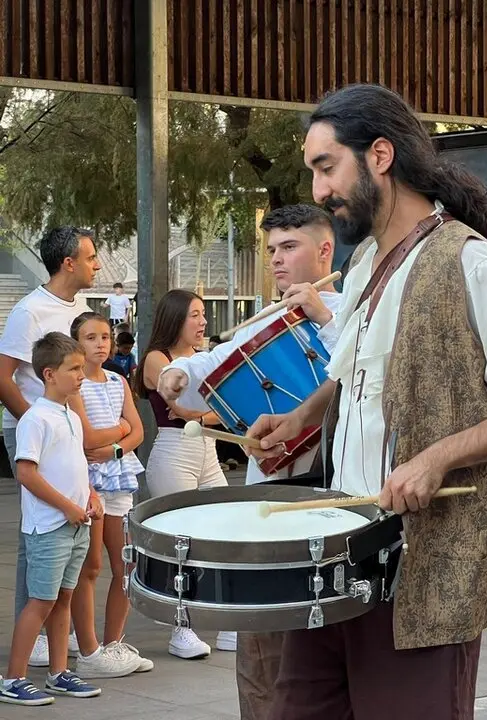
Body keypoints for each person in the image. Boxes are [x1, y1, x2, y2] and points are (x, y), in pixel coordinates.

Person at [243, 83, 487, 720]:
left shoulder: (470, 262)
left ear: (380, 155)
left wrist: (439, 458)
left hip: (421, 571)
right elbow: (366, 374)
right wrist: (304, 416)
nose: (319, 191)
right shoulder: (367, 262)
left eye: (327, 167)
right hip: (341, 555)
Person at [156, 204, 343, 720]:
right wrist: (180, 373)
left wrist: (324, 317)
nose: (277, 260)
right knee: (263, 650)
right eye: (271, 250)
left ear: (325, 250)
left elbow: (367, 365)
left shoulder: (354, 312)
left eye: (290, 247)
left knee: (332, 645)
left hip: (337, 496)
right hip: (269, 497)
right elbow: (215, 357)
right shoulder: (267, 318)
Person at [0, 226, 100, 668]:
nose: (97, 265)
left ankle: (59, 648)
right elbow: (4, 378)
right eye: (92, 257)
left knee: (68, 528)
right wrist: (38, 423)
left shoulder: (80, 306)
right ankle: (33, 636)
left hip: (66, 428)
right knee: (38, 533)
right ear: (68, 263)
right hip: (33, 425)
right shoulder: (30, 311)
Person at [0, 332, 103, 705]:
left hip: (77, 523)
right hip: (49, 526)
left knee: (63, 599)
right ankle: (13, 678)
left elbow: (77, 466)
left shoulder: (70, 416)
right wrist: (66, 506)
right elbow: (27, 472)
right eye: (73, 369)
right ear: (48, 374)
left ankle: (59, 673)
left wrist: (89, 496)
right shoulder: (36, 419)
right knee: (40, 602)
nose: (80, 375)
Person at [132, 289, 233, 660]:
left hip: (208, 450)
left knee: (226, 533)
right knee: (180, 545)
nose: (203, 321)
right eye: (195, 314)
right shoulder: (158, 358)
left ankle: (228, 626)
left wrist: (202, 415)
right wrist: (206, 413)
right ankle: (181, 629)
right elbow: (180, 405)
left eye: (204, 313)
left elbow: (220, 410)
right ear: (175, 318)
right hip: (174, 451)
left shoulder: (201, 358)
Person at [67, 312, 152, 676]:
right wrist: (119, 430)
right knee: (91, 566)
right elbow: (86, 437)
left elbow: (139, 432)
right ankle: (88, 649)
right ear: (76, 343)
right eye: (91, 337)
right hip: (87, 483)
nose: (101, 343)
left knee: (125, 565)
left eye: (105, 337)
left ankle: (113, 643)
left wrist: (116, 445)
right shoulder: (76, 384)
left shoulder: (118, 380)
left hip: (119, 480)